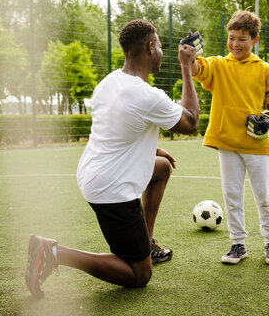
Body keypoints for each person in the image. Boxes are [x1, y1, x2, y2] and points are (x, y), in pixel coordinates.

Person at [25, 19, 200, 297]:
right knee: (139, 274)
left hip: (93, 172)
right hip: (112, 188)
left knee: (162, 168)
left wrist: (152, 150)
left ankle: (147, 242)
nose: (163, 52)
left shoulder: (108, 83)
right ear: (150, 47)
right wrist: (186, 66)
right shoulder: (147, 95)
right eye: (161, 47)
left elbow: (115, 131)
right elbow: (191, 121)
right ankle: (54, 252)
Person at [190, 10, 269, 265]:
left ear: (254, 40)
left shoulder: (267, 71)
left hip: (256, 144)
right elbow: (198, 69)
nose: (234, 44)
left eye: (241, 39)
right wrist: (190, 56)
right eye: (231, 38)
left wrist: (268, 117)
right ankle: (238, 245)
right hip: (227, 143)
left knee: (264, 195)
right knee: (232, 195)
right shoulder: (219, 65)